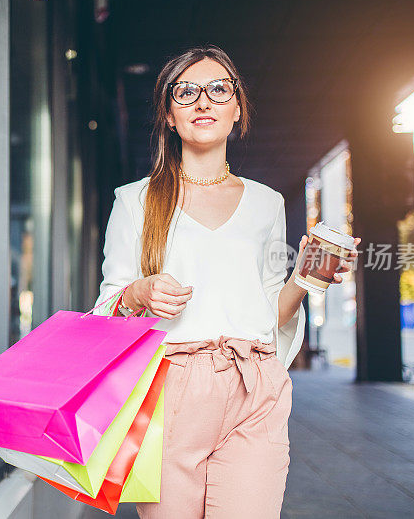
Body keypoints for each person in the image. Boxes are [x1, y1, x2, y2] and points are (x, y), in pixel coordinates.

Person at [93, 46, 359, 518]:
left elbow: (271, 312)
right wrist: (138, 292)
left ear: (236, 109)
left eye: (219, 89)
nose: (204, 101)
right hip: (167, 389)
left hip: (255, 383)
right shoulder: (134, 201)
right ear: (169, 115)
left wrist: (308, 275)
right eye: (186, 92)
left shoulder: (267, 203)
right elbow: (105, 311)